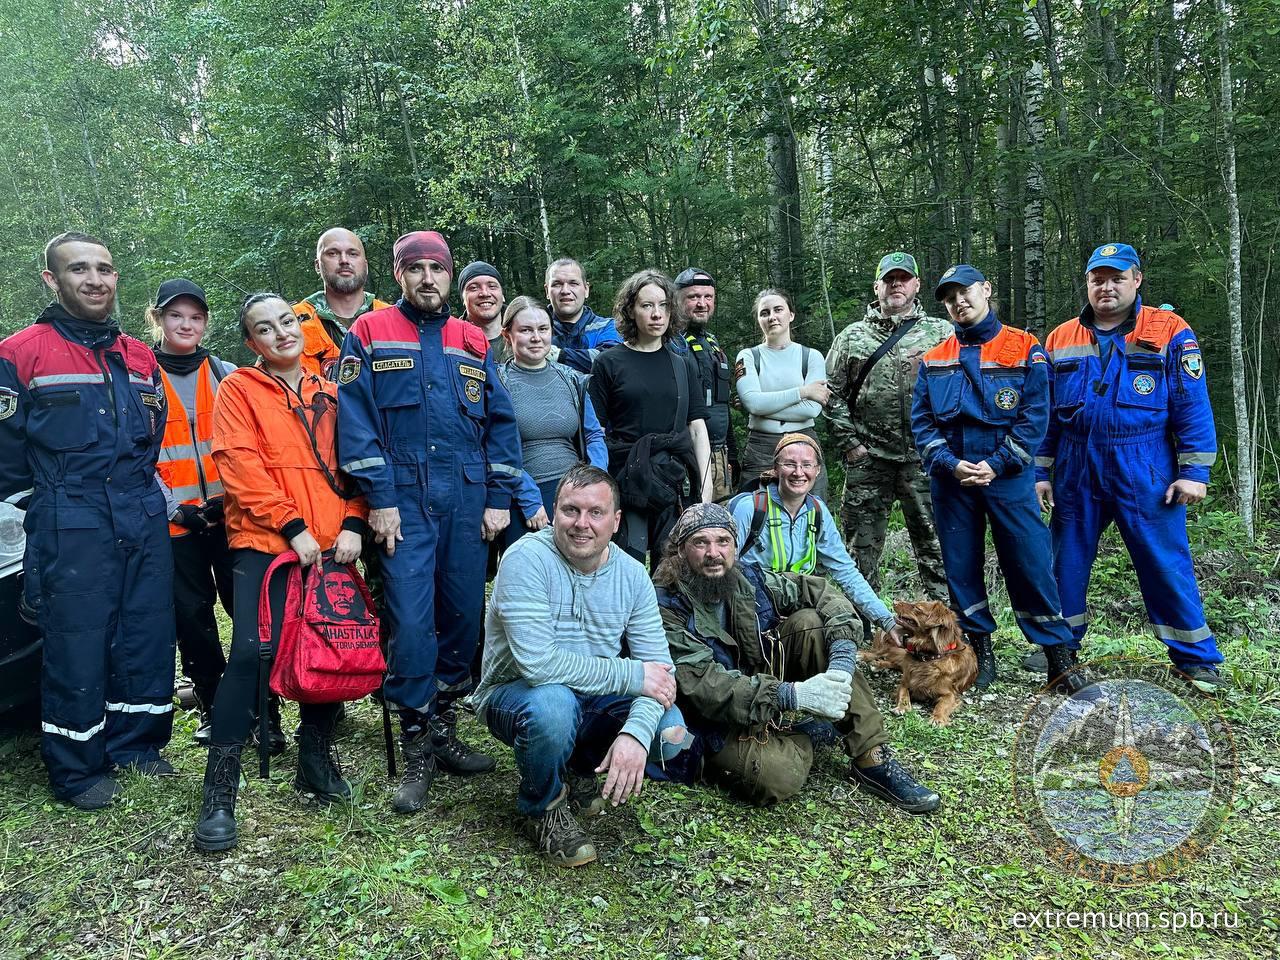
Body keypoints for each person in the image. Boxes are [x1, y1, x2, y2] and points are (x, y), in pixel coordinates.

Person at [336, 230, 525, 813]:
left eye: (436, 269)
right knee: (412, 623)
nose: (426, 278)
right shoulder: (367, 333)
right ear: (398, 274)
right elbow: (354, 420)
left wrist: (498, 494)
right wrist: (379, 498)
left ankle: (443, 725)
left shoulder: (471, 339)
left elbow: (499, 422)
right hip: (404, 502)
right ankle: (416, 739)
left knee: (463, 617)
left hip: (467, 499)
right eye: (414, 268)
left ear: (449, 277)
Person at [0, 232, 175, 809]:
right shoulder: (19, 353)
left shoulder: (140, 355)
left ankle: (138, 745)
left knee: (146, 630)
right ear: (52, 280)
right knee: (77, 640)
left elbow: (154, 436)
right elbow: (6, 459)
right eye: (79, 269)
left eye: (104, 268)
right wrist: (38, 524)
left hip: (140, 508)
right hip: (68, 514)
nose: (95, 279)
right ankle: (77, 767)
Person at [193, 292, 369, 852]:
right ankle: (219, 789)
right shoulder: (239, 390)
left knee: (323, 641)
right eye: (264, 329)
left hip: (331, 541)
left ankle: (315, 758)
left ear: (302, 323)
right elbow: (239, 465)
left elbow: (360, 461)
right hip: (265, 541)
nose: (281, 333)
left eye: (287, 321)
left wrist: (355, 522)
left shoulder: (336, 387)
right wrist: (290, 524)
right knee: (250, 650)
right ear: (252, 343)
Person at [653, 503, 940, 812]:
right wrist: (792, 695)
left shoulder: (746, 578)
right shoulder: (665, 604)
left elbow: (818, 590)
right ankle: (805, 735)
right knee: (776, 777)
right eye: (700, 542)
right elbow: (704, 686)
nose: (714, 553)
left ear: (734, 546)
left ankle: (872, 755)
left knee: (810, 624)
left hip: (755, 680)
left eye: (723, 541)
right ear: (680, 550)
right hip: (709, 715)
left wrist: (843, 660)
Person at [475, 465, 691, 866]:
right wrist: (632, 675)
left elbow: (660, 672)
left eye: (596, 513)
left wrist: (636, 734)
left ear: (616, 521)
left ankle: (577, 767)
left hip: (589, 695)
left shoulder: (632, 575)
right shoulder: (526, 559)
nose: (582, 524)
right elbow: (538, 665)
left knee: (669, 731)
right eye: (571, 510)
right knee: (554, 706)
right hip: (515, 693)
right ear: (553, 512)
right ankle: (542, 807)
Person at [1036, 243, 1224, 694]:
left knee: (1164, 561)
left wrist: (1194, 472)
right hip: (1077, 464)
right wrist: (1040, 471)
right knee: (1065, 560)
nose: (1107, 286)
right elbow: (1042, 413)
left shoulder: (1169, 330)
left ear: (1136, 280)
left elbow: (1192, 404)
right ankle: (1060, 649)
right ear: (1087, 284)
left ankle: (1194, 657)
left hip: (1144, 462)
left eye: (1117, 277)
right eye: (1098, 278)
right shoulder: (1061, 337)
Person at [911, 265, 1084, 693]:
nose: (958, 302)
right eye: (949, 297)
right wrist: (950, 463)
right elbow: (921, 423)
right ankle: (980, 654)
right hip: (953, 480)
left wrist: (999, 463)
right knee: (961, 568)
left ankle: (1058, 659)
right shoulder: (934, 358)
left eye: (965, 292)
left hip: (1008, 476)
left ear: (986, 289)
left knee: (1031, 564)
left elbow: (1035, 417)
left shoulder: (1025, 348)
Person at [825, 252, 950, 600]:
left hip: (926, 459)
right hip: (870, 460)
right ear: (877, 286)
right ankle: (863, 627)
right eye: (889, 279)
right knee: (859, 552)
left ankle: (942, 629)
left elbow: (961, 388)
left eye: (904, 278)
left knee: (936, 545)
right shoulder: (852, 337)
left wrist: (948, 443)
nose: (897, 284)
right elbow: (831, 394)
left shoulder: (941, 333)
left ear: (917, 285)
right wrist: (850, 443)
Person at [148, 278, 238, 746]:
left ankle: (261, 709)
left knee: (246, 612)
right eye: (175, 315)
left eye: (195, 316)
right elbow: (133, 453)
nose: (186, 324)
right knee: (193, 617)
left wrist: (232, 498)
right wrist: (176, 509)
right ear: (158, 319)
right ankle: (212, 705)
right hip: (173, 525)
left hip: (231, 517)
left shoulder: (226, 373)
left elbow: (248, 444)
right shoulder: (138, 375)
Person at [728, 434, 904, 645]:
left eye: (807, 465)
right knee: (811, 623)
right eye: (789, 464)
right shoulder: (751, 507)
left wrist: (887, 621)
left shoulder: (818, 511)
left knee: (827, 621)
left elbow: (846, 571)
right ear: (776, 469)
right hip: (751, 607)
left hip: (795, 604)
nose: (798, 472)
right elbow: (726, 568)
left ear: (818, 470)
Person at [589, 269, 713, 565]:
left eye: (663, 305)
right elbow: (594, 432)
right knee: (623, 563)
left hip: (672, 481)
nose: (657, 314)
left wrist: (705, 490)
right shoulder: (609, 363)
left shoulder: (682, 365)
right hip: (624, 480)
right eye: (647, 305)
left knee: (671, 568)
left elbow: (697, 429)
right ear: (631, 310)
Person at [495, 296, 607, 549]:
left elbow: (593, 435)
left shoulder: (573, 380)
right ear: (507, 334)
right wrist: (529, 499)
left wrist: (596, 479)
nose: (536, 337)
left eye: (543, 329)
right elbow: (493, 448)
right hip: (522, 494)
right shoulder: (498, 383)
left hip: (576, 491)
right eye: (525, 330)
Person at [734, 289, 831, 500]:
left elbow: (812, 409)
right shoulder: (749, 356)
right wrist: (803, 392)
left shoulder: (811, 356)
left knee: (813, 511)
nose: (772, 317)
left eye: (778, 310)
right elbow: (753, 403)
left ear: (791, 314)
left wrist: (766, 404)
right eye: (764, 312)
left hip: (805, 444)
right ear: (759, 319)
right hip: (761, 447)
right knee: (752, 510)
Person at [675, 268, 738, 501]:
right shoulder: (670, 343)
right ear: (677, 300)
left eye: (708, 297)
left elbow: (723, 404)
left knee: (718, 529)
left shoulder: (712, 343)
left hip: (720, 456)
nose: (702, 303)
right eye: (693, 297)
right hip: (688, 457)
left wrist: (732, 455)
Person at [293, 228, 390, 379]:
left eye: (353, 254)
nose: (344, 260)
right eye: (332, 253)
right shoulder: (290, 322)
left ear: (365, 265)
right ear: (318, 266)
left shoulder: (392, 318)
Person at [545, 257, 621, 374]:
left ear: (586, 289)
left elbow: (611, 361)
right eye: (557, 284)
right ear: (547, 291)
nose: (565, 290)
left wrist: (557, 355)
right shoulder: (535, 329)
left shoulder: (607, 326)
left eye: (573, 283)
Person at [458, 260, 508, 359]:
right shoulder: (451, 339)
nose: (485, 293)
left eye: (492, 286)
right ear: (463, 299)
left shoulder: (526, 334)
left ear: (502, 295)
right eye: (474, 288)